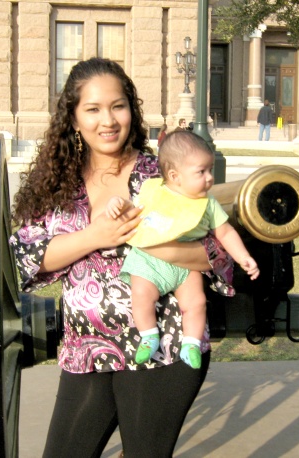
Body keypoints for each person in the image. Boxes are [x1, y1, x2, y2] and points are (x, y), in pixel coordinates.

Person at [9, 57, 234, 457]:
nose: (108, 120)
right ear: (74, 119)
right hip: (87, 348)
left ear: (131, 110)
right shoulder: (59, 181)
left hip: (162, 346)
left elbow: (217, 256)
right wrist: (97, 235)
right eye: (93, 109)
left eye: (117, 106)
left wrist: (154, 244)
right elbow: (29, 256)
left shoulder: (163, 175)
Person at [106, 130, 259, 369]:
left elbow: (225, 232)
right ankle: (148, 336)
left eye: (210, 170)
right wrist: (117, 203)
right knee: (141, 295)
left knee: (196, 302)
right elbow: (134, 210)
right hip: (148, 262)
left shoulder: (207, 204)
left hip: (186, 267)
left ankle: (190, 343)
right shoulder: (154, 192)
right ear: (175, 176)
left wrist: (244, 257)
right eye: (201, 172)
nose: (209, 178)